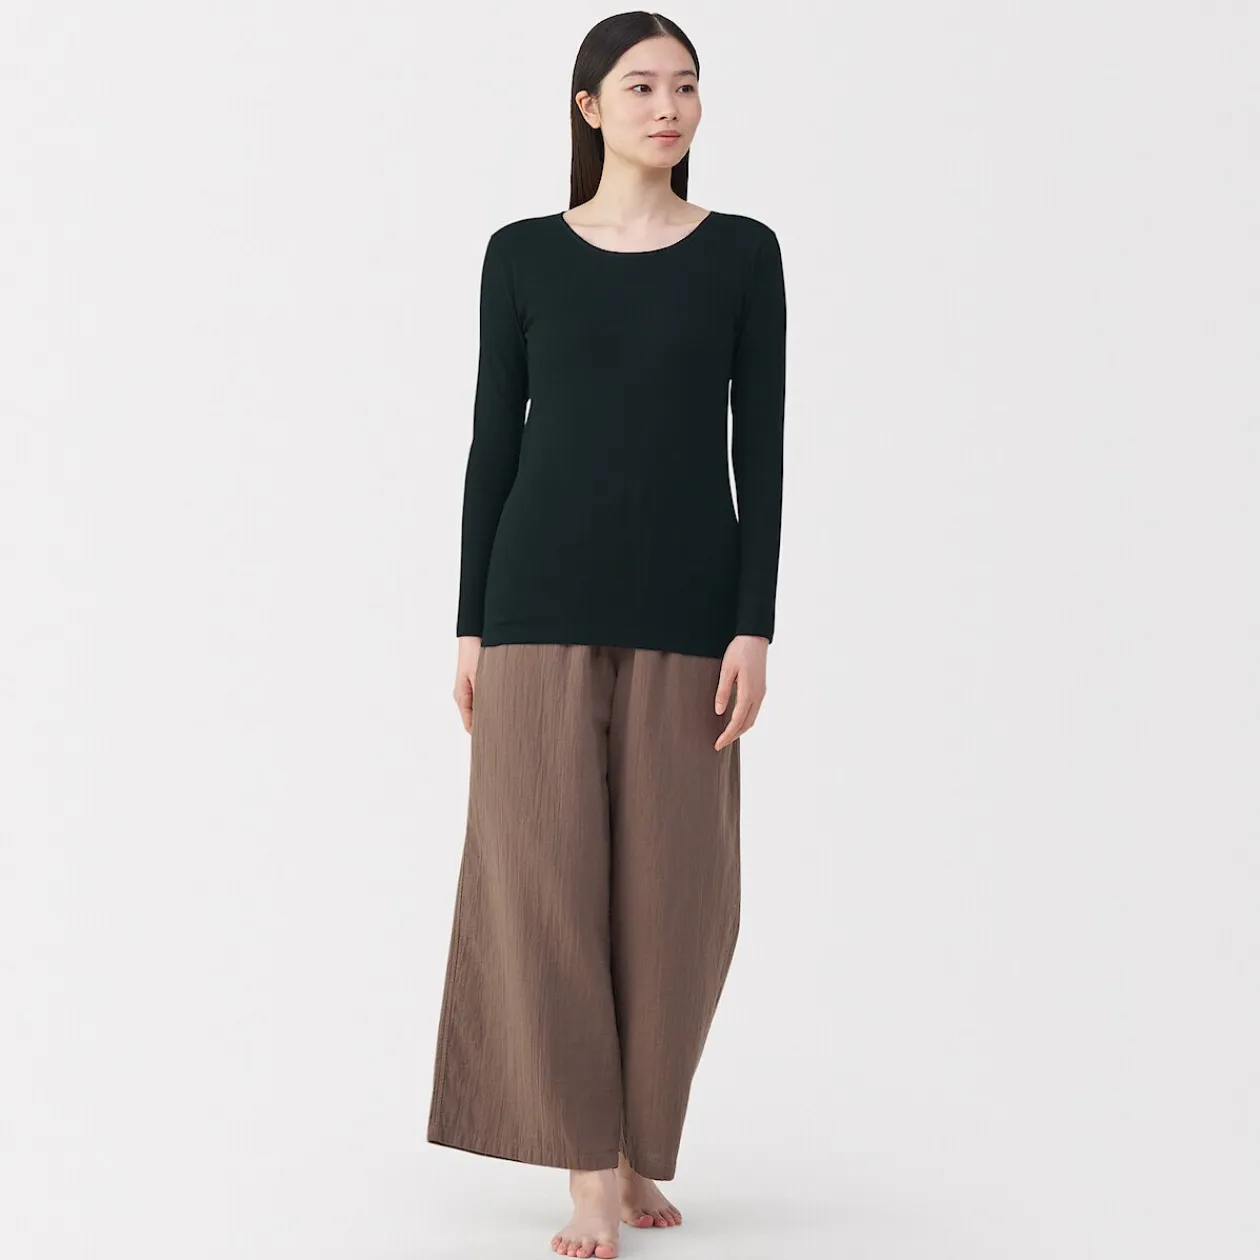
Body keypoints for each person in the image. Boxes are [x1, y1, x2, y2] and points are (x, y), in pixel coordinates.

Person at [426, 13, 786, 1259]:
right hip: (534, 607)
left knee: (680, 899)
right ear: (589, 107)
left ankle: (638, 1136)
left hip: (689, 613)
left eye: (686, 85)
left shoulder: (743, 255)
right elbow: (494, 445)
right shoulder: (522, 255)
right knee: (546, 892)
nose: (668, 107)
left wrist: (754, 624)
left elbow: (762, 450)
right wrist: (470, 624)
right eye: (640, 87)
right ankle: (591, 1169)